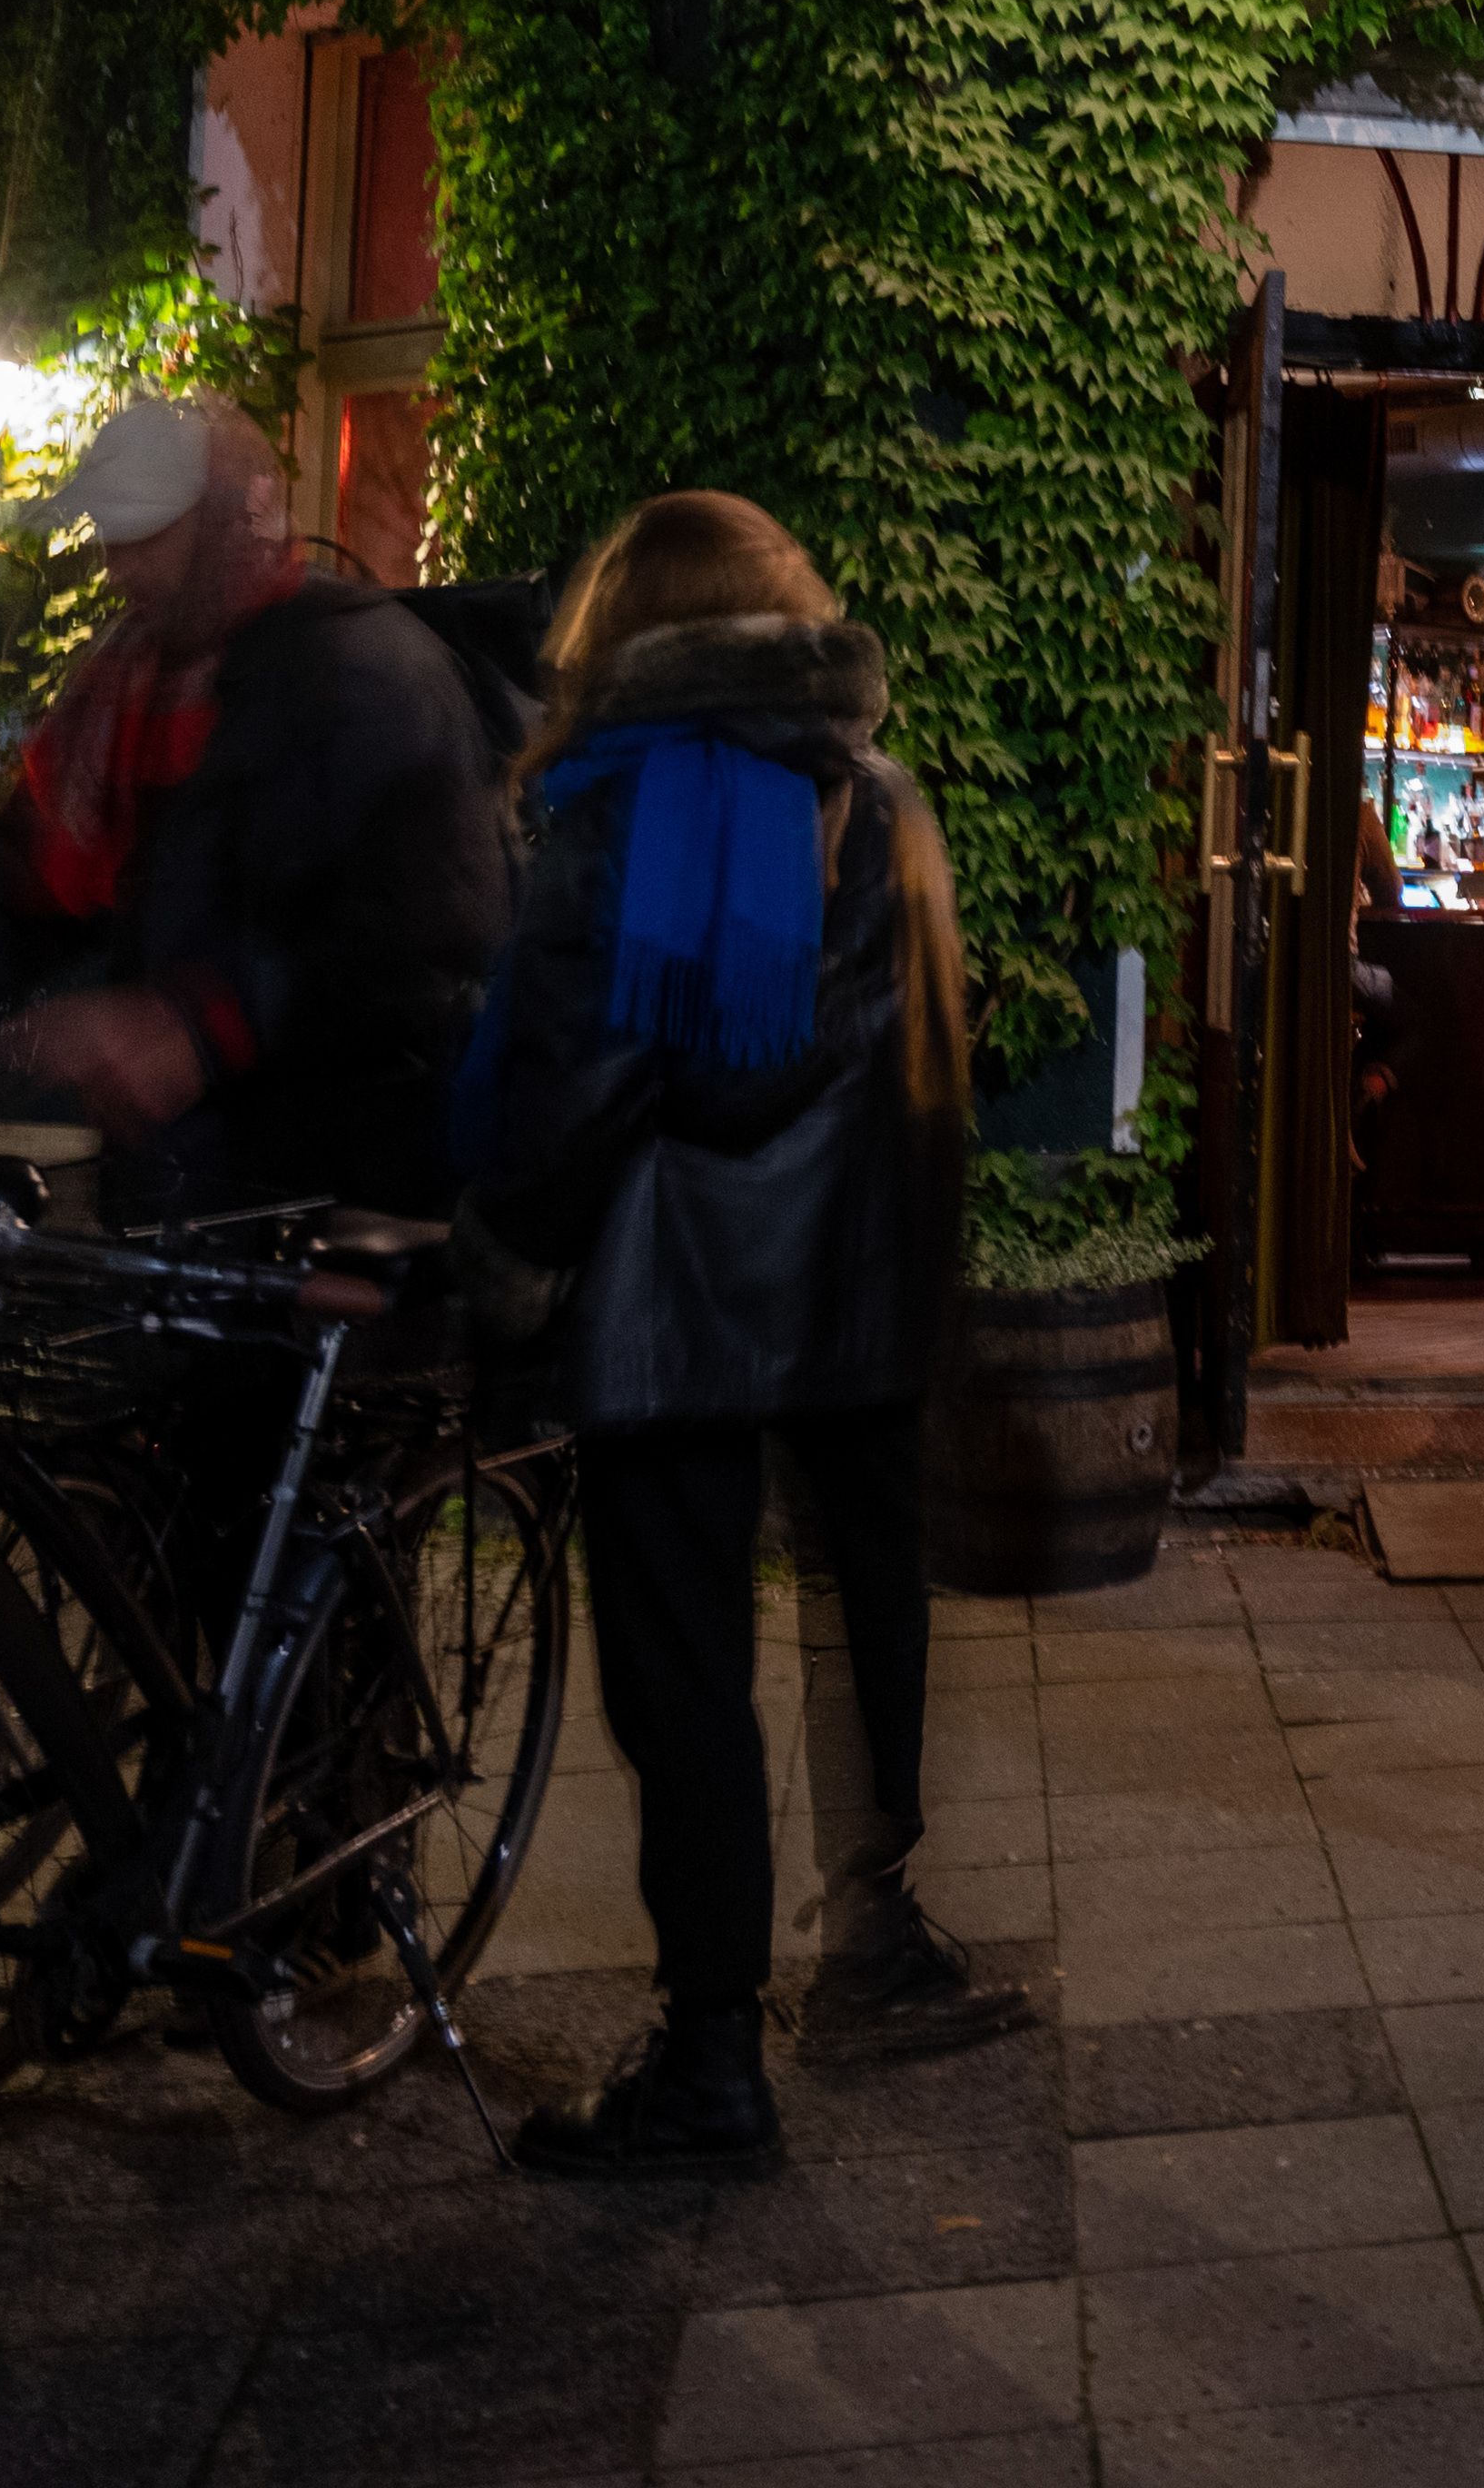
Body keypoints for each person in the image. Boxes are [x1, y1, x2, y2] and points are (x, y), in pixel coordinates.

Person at [450, 494, 1023, 2179]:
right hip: (857, 1296)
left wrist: (499, 1254)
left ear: (622, 630)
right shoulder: (883, 798)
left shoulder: (634, 799)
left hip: (676, 1300)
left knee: (684, 1672)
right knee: (865, 1627)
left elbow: (585, 1074)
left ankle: (712, 2050)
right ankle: (877, 1930)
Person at [0, 395, 509, 1221]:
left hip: (347, 1194)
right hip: (183, 1184)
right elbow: (27, 892)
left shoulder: (365, 670)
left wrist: (198, 1026)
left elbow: (432, 936)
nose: (117, 566)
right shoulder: (126, 680)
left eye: (144, 536)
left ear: (233, 524)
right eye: (110, 535)